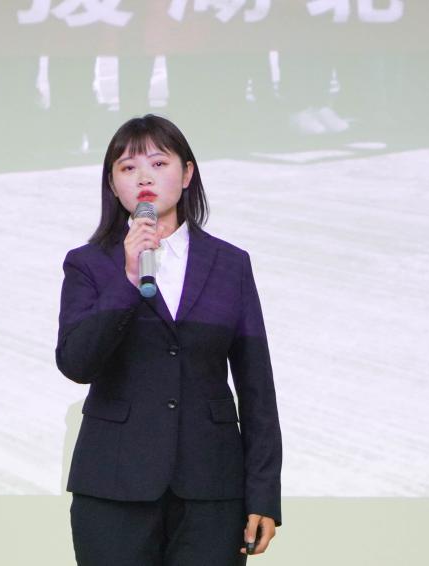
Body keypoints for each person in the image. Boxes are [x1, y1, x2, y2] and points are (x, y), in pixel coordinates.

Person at [55, 113, 282, 565]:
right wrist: (125, 278)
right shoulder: (88, 264)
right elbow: (76, 363)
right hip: (114, 487)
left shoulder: (230, 264)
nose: (144, 178)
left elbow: (257, 386)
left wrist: (263, 493)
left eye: (159, 164)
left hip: (212, 490)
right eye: (128, 167)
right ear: (113, 184)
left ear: (187, 173)